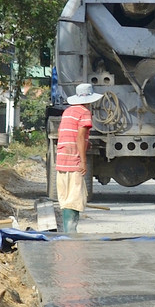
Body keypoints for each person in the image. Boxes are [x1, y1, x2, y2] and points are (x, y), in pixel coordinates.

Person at [55, 83, 102, 233]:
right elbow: (80, 137)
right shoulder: (84, 113)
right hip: (73, 159)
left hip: (62, 158)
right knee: (75, 198)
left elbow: (62, 132)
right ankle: (71, 233)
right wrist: (83, 161)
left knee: (65, 198)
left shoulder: (68, 111)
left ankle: (67, 232)